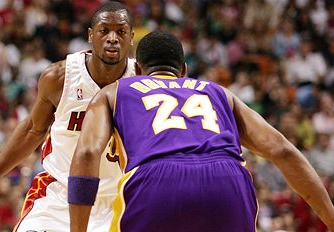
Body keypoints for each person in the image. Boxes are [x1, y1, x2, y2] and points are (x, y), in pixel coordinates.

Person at [68, 30, 334, 231]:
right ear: (183, 71)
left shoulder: (116, 92)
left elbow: (88, 152)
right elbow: (281, 149)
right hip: (228, 180)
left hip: (156, 180)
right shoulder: (218, 92)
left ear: (137, 70)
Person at [0, 2, 135, 231]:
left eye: (121, 31)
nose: (112, 38)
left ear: (131, 37)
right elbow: (33, 129)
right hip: (59, 195)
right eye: (104, 30)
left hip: (122, 198)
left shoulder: (144, 80)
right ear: (90, 35)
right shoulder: (59, 77)